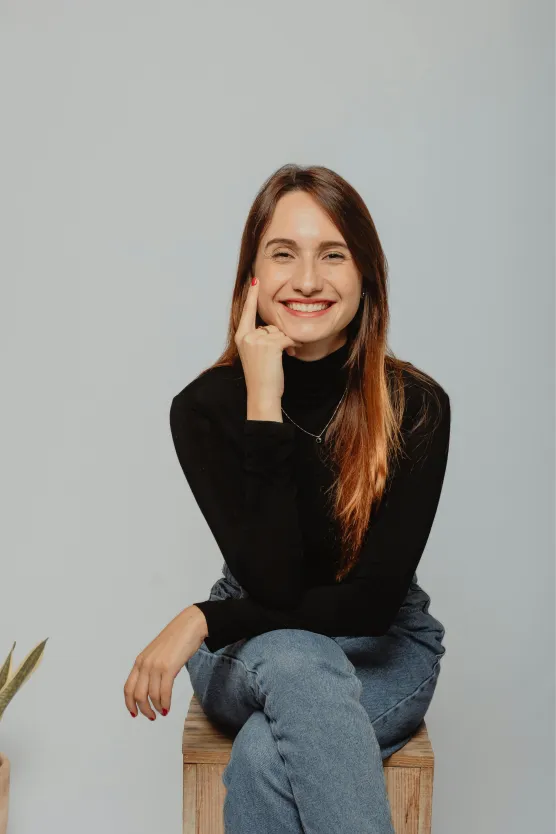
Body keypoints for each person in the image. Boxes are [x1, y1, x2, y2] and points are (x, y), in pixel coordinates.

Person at [124, 164, 451, 834]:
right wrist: (263, 400)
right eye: (284, 255)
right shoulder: (204, 409)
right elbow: (270, 582)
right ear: (253, 278)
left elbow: (372, 602)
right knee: (294, 654)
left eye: (333, 254)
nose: (306, 280)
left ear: (367, 276)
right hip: (252, 649)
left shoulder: (416, 405)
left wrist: (204, 619)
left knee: (267, 756)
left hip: (379, 647)